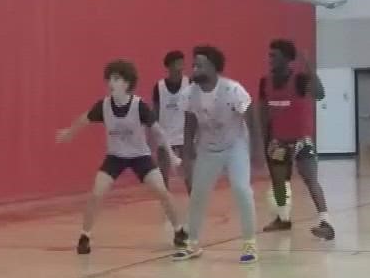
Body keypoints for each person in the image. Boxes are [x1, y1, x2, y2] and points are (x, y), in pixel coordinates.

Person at [55, 59, 186, 255]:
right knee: (96, 193)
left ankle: (179, 231)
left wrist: (171, 156)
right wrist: (70, 133)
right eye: (109, 79)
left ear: (127, 83)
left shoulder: (139, 106)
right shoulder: (104, 106)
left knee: (162, 192)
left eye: (116, 79)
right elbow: (85, 118)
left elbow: (158, 132)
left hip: (140, 156)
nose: (111, 83)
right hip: (115, 157)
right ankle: (85, 236)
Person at [172, 45, 258, 264]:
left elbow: (251, 116)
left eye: (199, 64)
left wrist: (257, 152)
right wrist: (188, 156)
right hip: (207, 149)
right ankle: (193, 243)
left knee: (241, 189)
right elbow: (190, 126)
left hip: (235, 146)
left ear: (213, 68)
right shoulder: (189, 94)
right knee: (198, 193)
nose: (194, 68)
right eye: (194, 64)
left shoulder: (233, 90)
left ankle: (250, 242)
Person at [257, 40, 335, 240]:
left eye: (275, 55)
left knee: (310, 180)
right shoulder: (265, 82)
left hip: (301, 141)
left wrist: (309, 66)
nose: (270, 59)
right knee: (278, 181)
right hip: (278, 141)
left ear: (287, 59)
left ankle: (326, 222)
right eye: (270, 55)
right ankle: (283, 218)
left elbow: (320, 94)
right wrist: (263, 143)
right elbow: (263, 114)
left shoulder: (300, 79)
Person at [152, 50, 193, 192]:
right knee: (163, 178)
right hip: (165, 136)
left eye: (182, 63)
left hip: (184, 136)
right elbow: (155, 113)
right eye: (177, 64)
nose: (181, 67)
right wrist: (156, 136)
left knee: (190, 176)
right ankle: (168, 210)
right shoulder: (159, 87)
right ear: (168, 67)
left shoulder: (190, 83)